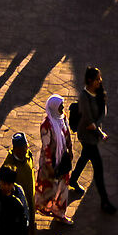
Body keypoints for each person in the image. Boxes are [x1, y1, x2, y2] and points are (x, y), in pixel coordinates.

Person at [68, 67, 117, 214]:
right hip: (87, 137)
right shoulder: (84, 97)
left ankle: (73, 179)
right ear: (90, 80)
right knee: (98, 169)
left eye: (99, 78)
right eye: (97, 79)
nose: (99, 81)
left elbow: (102, 112)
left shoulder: (98, 93)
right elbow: (89, 123)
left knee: (84, 157)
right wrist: (100, 133)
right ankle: (105, 201)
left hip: (94, 134)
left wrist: (98, 128)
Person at [36, 93, 72, 222]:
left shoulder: (63, 118)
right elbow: (46, 147)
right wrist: (50, 166)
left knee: (63, 187)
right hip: (50, 163)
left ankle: (59, 212)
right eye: (60, 106)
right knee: (48, 187)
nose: (63, 108)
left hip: (62, 159)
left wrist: (70, 149)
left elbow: (67, 135)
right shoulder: (46, 125)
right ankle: (44, 207)